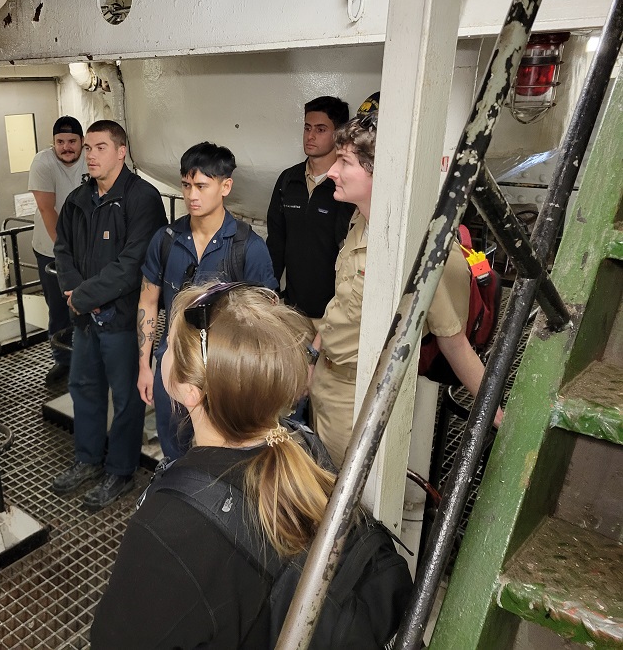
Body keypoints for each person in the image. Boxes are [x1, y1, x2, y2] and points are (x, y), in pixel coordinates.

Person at [91, 283, 341, 647]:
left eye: (170, 346)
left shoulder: (167, 530)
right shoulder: (308, 452)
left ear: (190, 390)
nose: (163, 353)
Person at [309, 113, 502, 466]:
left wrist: (498, 415)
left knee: (344, 500)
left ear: (380, 171)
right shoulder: (359, 221)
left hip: (362, 395)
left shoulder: (423, 248)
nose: (331, 171)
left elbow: (453, 341)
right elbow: (341, 303)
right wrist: (312, 358)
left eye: (344, 162)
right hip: (326, 380)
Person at [52, 120, 167, 510]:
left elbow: (134, 264)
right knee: (84, 388)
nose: (90, 155)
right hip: (85, 319)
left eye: (99, 147)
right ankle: (87, 459)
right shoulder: (78, 198)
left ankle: (121, 469)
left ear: (121, 151)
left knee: (127, 397)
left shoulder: (142, 199)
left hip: (121, 321)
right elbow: (62, 248)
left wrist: (83, 295)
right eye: (88, 148)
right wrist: (76, 293)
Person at [137, 142, 277, 459]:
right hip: (172, 369)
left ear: (226, 186)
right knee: (174, 453)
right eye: (186, 185)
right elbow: (148, 302)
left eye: (201, 186)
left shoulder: (248, 247)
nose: (191, 195)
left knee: (220, 457)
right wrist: (145, 365)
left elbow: (266, 320)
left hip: (224, 377)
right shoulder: (166, 240)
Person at [266, 96, 354, 320]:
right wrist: (269, 295)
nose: (310, 136)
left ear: (338, 134)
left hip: (335, 315)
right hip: (292, 310)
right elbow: (276, 244)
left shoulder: (347, 185)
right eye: (307, 128)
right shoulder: (288, 180)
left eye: (321, 129)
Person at [28, 116, 88, 386]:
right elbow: (46, 208)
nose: (66, 147)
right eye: (60, 142)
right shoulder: (43, 163)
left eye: (72, 141)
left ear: (82, 141)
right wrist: (65, 253)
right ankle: (64, 360)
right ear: (52, 143)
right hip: (51, 249)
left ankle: (90, 358)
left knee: (89, 304)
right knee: (59, 308)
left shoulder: (92, 158)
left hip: (89, 248)